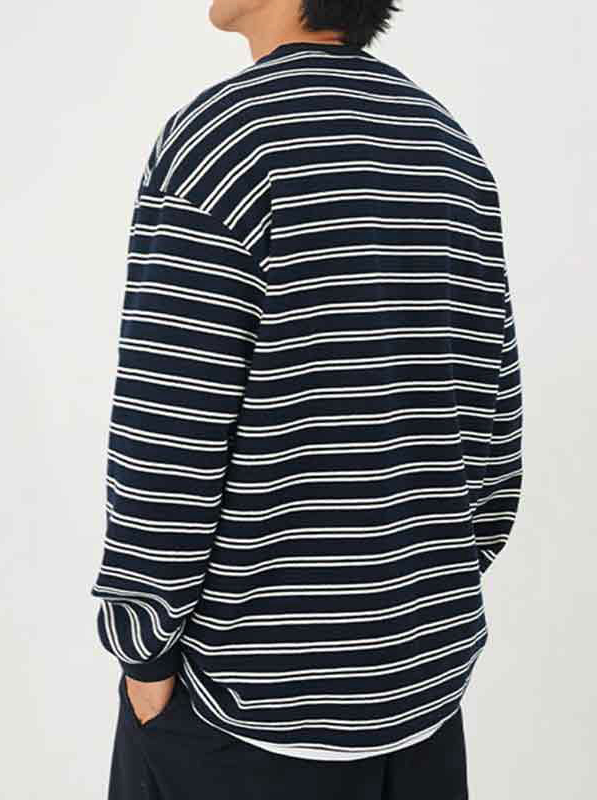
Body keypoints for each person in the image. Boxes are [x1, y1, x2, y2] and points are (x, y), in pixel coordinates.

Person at [90, 1, 524, 797]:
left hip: (243, 716)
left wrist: (143, 654)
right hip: (424, 698)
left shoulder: (222, 142)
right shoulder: (448, 147)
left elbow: (168, 438)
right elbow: (492, 440)